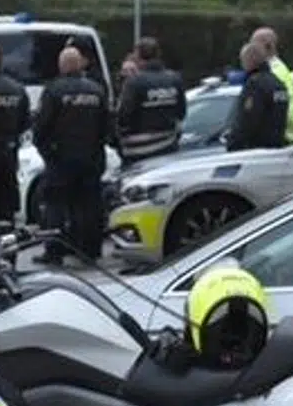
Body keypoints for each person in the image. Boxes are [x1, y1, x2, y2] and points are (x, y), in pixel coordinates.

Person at [32, 47, 114, 265]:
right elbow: (107, 126)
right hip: (91, 158)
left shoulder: (54, 90)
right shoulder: (97, 90)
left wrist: (48, 153)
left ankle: (55, 251)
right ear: (80, 65)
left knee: (56, 205)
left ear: (62, 66)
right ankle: (90, 250)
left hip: (61, 159)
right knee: (89, 206)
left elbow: (41, 128)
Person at [116, 37, 187, 165]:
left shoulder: (134, 82)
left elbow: (123, 115)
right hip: (168, 146)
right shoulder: (174, 79)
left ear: (138, 55)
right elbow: (182, 112)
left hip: (139, 151)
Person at [0, 41, 32, 225]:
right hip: (10, 151)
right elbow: (25, 121)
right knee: (7, 207)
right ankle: (9, 249)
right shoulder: (17, 88)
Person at [226, 42, 289, 151]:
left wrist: (233, 144)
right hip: (277, 146)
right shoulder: (278, 83)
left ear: (249, 60)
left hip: (256, 150)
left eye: (243, 61)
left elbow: (248, 120)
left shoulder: (255, 85)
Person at [251, 27, 293, 141]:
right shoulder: (278, 68)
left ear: (266, 46)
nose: (251, 50)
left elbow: (280, 104)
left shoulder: (274, 72)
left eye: (253, 45)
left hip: (279, 138)